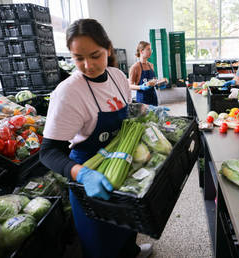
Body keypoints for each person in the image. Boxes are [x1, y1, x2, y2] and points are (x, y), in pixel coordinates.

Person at [39, 19, 153, 258]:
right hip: (90, 173)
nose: (88, 65)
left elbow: (126, 114)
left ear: (108, 49)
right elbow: (48, 152)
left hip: (121, 162)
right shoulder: (68, 92)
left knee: (126, 226)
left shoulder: (118, 77)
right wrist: (82, 173)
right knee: (100, 242)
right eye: (78, 58)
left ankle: (131, 252)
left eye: (95, 55)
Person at [129, 41, 167, 106]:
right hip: (142, 100)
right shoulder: (135, 67)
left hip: (153, 98)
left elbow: (153, 81)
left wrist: (159, 84)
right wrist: (141, 87)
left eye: (151, 49)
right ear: (141, 51)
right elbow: (130, 86)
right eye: (148, 49)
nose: (151, 51)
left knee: (155, 115)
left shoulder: (151, 65)